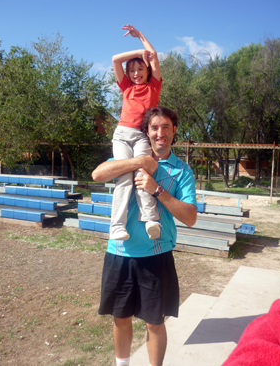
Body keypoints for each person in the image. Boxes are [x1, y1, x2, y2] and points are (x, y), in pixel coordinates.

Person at [92, 106, 197, 366]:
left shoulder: (181, 171)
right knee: (121, 317)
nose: (160, 133)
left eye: (166, 127)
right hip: (120, 252)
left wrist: (157, 189)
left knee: (155, 322)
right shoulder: (127, 157)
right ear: (146, 132)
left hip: (156, 255)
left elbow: (190, 217)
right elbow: (97, 174)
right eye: (154, 127)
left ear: (174, 132)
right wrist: (140, 162)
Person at [110, 24, 162, 242]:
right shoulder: (126, 87)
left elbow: (154, 55)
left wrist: (140, 37)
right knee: (123, 177)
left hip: (141, 137)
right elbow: (115, 59)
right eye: (132, 70)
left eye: (140, 69)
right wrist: (138, 54)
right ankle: (117, 227)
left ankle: (151, 219)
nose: (135, 73)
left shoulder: (154, 86)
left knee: (142, 175)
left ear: (147, 70)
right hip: (122, 135)